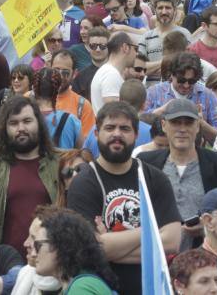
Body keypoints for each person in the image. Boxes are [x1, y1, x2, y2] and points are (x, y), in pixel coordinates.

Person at [67, 101, 181, 295]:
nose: (117, 134)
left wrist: (110, 243)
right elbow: (91, 249)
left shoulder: (155, 178)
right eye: (110, 128)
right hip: (102, 289)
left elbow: (172, 242)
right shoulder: (83, 183)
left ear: (136, 135)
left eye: (125, 128)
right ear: (96, 133)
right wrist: (151, 230)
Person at [138, 99, 217, 251]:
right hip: (158, 254)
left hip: (206, 255)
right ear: (164, 126)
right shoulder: (146, 163)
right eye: (176, 123)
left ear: (198, 126)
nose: (182, 129)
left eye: (188, 123)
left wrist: (207, 226)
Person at [0, 96, 59, 257]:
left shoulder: (58, 165)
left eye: (27, 121)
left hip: (50, 261)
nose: (21, 128)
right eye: (13, 123)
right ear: (5, 128)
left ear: (38, 123)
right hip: (3, 264)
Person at [144, 52, 217, 143]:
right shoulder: (154, 92)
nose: (186, 85)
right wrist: (160, 111)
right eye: (181, 80)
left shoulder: (208, 96)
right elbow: (140, 126)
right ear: (172, 75)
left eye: (191, 81)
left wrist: (201, 123)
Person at [34, 209, 117, 294]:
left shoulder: (81, 289)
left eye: (38, 245)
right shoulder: (82, 284)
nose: (34, 253)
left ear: (62, 245)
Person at [138, 0, 193, 83]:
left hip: (179, 87)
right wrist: (168, 62)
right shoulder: (146, 36)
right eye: (160, 8)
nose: (164, 12)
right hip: (151, 90)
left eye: (168, 8)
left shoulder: (184, 34)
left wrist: (151, 67)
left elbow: (189, 64)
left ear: (174, 10)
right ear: (155, 10)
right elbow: (139, 69)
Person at [33, 69, 81, 149]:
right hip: (65, 161)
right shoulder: (71, 119)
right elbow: (81, 149)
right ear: (58, 88)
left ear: (34, 89)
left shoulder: (26, 119)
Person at [91, 32, 135, 113]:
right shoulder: (111, 74)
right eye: (135, 48)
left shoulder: (109, 72)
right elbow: (115, 113)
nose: (137, 53)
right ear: (125, 47)